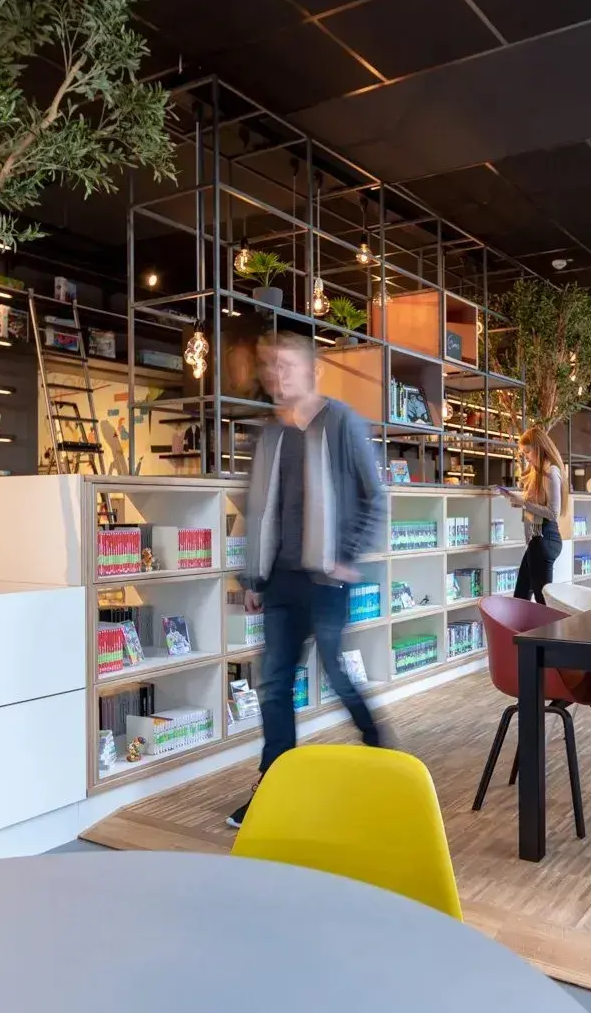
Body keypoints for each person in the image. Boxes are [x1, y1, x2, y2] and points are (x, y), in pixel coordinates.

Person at [229, 331, 386, 828]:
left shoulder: (340, 422)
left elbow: (374, 496)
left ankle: (380, 752)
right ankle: (273, 786)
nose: (277, 375)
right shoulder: (270, 435)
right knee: (274, 685)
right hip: (279, 580)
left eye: (287, 365)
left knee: (336, 671)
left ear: (312, 370)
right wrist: (252, 578)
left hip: (326, 579)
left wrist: (347, 556)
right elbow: (258, 510)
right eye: (270, 366)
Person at [502, 426, 568, 604]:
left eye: (528, 452)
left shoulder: (551, 472)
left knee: (542, 602)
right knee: (522, 598)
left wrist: (523, 503)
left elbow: (552, 513)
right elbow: (535, 506)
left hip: (544, 538)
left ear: (539, 448)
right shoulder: (538, 473)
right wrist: (519, 502)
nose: (526, 457)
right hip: (537, 539)